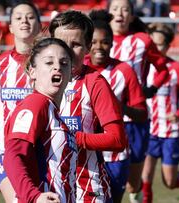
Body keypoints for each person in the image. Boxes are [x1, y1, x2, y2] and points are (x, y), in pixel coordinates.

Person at [49, 10, 127, 203]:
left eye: (75, 44)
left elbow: (117, 140)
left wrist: (74, 139)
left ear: (87, 47)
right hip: (49, 188)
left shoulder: (95, 82)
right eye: (61, 44)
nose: (67, 51)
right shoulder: (39, 81)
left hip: (88, 188)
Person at [107, 0, 169, 202]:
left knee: (132, 183)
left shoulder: (142, 40)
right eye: (115, 9)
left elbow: (162, 70)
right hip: (104, 118)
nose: (120, 13)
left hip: (135, 119)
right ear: (108, 13)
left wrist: (150, 89)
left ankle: (136, 193)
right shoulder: (96, 39)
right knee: (105, 176)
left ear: (132, 16)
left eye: (125, 10)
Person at [0, 1, 41, 202]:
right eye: (18, 17)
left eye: (30, 17)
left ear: (39, 25)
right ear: (11, 27)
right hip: (4, 150)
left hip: (40, 149)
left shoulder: (49, 64)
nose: (24, 20)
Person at [85, 9, 148, 203]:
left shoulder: (124, 71)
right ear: (87, 44)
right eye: (94, 42)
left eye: (104, 42)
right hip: (85, 154)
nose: (99, 47)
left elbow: (142, 114)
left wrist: (121, 108)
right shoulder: (77, 68)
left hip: (115, 157)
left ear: (112, 43)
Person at [3, 37, 75, 203]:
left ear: (71, 74)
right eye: (49, 62)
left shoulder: (53, 112)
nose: (57, 66)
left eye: (64, 63)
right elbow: (13, 155)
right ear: (32, 72)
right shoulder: (36, 103)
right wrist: (34, 197)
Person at [142, 23, 179, 203]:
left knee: (170, 182)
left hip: (171, 132)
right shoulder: (143, 68)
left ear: (167, 46)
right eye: (151, 44)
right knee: (145, 178)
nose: (153, 48)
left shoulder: (176, 68)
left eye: (158, 44)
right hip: (150, 130)